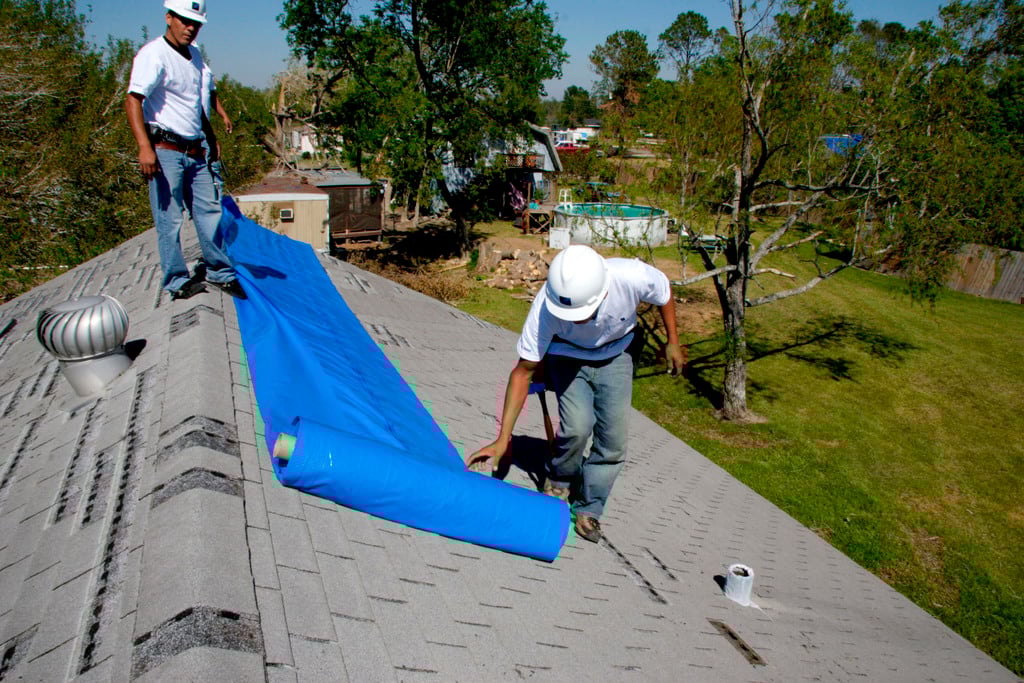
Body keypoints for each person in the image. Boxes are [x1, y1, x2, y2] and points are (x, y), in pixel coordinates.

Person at [469, 245, 685, 543]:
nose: (576, 320)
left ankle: (590, 507)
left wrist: (672, 340)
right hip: (566, 357)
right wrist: (503, 439)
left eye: (583, 313)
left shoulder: (631, 276)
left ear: (604, 293)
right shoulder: (546, 306)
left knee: (613, 440)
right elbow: (522, 373)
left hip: (616, 353)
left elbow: (664, 292)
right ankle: (559, 482)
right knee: (576, 428)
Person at [125, 0, 245, 300]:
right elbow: (133, 100)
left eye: (196, 24)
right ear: (169, 18)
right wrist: (144, 148)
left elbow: (196, 105)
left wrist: (210, 136)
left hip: (195, 150)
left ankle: (220, 272)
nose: (190, 28)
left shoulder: (194, 56)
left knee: (209, 212)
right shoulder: (154, 54)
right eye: (184, 21)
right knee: (170, 218)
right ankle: (176, 280)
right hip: (165, 149)